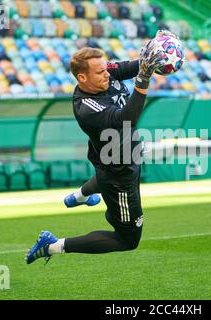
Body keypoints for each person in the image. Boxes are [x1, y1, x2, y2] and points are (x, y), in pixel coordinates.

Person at [25, 31, 172, 264]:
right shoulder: (87, 107)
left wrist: (153, 57)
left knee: (104, 175)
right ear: (82, 78)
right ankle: (52, 246)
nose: (108, 73)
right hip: (118, 174)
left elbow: (131, 67)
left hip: (119, 155)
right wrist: (143, 79)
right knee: (127, 240)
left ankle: (79, 196)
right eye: (100, 72)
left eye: (106, 69)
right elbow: (129, 117)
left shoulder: (105, 71)